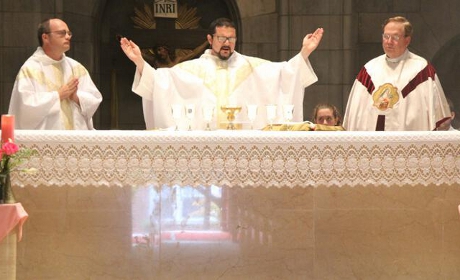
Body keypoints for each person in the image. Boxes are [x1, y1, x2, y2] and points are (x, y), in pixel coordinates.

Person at [120, 17, 324, 130]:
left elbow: (285, 73)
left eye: (231, 39)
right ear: (210, 39)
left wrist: (305, 52)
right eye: (221, 38)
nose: (227, 43)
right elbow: (159, 81)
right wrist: (139, 61)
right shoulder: (193, 69)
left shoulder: (251, 66)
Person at [342, 16, 451, 131]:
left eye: (395, 37)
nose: (389, 42)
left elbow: (440, 120)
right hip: (373, 144)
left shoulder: (422, 69)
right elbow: (354, 115)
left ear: (407, 40)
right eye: (386, 36)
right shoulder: (369, 69)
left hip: (408, 143)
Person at [8, 18, 103, 130]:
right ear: (45, 37)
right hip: (45, 142)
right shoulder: (31, 69)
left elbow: (95, 99)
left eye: (69, 33)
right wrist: (57, 95)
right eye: (62, 33)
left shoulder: (76, 68)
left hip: (77, 140)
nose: (68, 37)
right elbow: (24, 107)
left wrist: (77, 97)